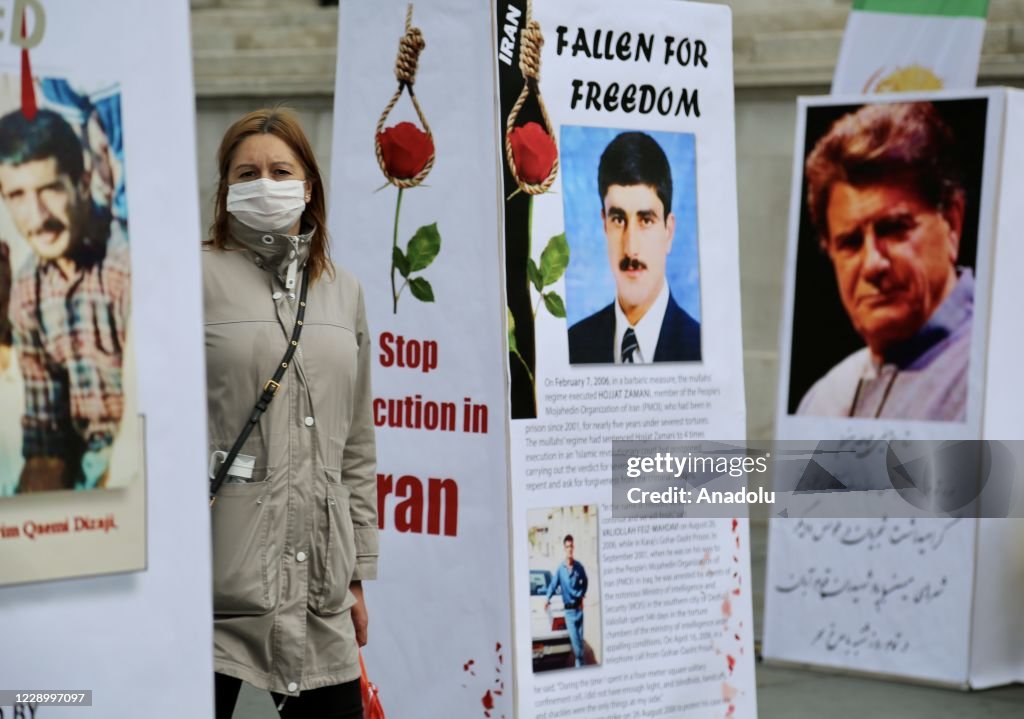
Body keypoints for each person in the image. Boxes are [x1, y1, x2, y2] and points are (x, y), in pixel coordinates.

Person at [204, 108, 377, 719]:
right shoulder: (190, 277)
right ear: (226, 189)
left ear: (308, 186)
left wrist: (356, 573)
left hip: (318, 590)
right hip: (213, 588)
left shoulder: (344, 289)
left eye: (281, 169)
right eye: (247, 172)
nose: (265, 182)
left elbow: (355, 441)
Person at [796, 102, 971, 421]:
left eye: (894, 229)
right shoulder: (824, 400)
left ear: (953, 222)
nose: (873, 264)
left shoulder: (999, 370)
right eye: (850, 243)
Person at [0, 108, 129, 492]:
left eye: (50, 190)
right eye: (17, 195)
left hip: (136, 474)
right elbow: (47, 445)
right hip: (85, 487)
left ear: (82, 182)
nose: (37, 217)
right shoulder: (28, 291)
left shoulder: (124, 264)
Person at [568, 131, 701, 364]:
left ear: (668, 232)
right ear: (604, 226)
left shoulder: (700, 349)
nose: (631, 248)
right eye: (618, 219)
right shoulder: (573, 346)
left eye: (646, 220)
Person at [545, 534, 589, 668]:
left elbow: (585, 581)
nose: (569, 549)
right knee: (578, 649)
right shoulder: (560, 569)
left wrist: (582, 595)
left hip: (579, 611)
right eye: (567, 547)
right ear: (564, 549)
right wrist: (547, 598)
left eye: (571, 546)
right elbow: (553, 585)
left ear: (573, 547)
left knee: (580, 645)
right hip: (569, 613)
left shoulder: (579, 567)